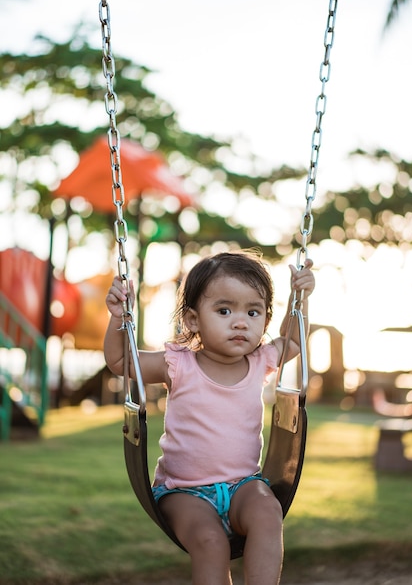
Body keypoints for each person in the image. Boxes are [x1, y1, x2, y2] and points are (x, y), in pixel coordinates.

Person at [104, 250, 315, 585]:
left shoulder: (261, 361)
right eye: (224, 310)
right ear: (192, 319)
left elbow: (293, 340)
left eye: (253, 311)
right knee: (210, 542)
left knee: (268, 511)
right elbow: (120, 362)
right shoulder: (178, 365)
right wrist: (119, 318)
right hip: (183, 492)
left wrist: (299, 299)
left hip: (243, 485)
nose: (241, 321)